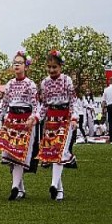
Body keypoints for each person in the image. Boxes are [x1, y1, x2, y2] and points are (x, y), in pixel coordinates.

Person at [0, 51, 39, 200]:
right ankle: (20, 189)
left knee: (19, 155)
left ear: (26, 66)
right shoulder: (10, 84)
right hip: (11, 121)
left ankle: (14, 187)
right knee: (10, 155)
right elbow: (4, 105)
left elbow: (36, 105)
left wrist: (33, 118)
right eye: (15, 63)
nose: (16, 65)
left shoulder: (31, 85)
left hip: (25, 122)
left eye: (20, 62)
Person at [36, 50, 78, 201]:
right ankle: (59, 190)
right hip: (51, 120)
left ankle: (54, 184)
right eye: (49, 67)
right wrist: (36, 118)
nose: (52, 70)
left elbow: (73, 101)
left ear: (61, 66)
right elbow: (44, 105)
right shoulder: (45, 83)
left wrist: (74, 117)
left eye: (55, 67)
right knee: (53, 153)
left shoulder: (67, 81)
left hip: (65, 118)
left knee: (60, 151)